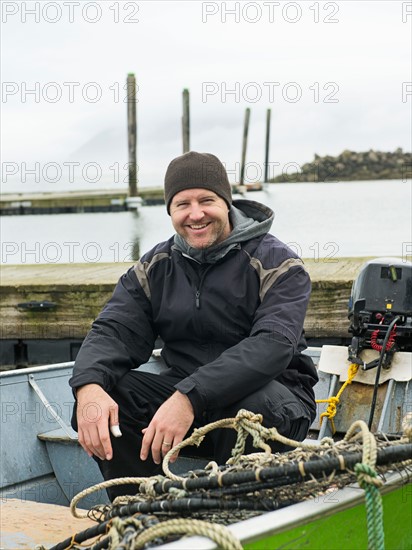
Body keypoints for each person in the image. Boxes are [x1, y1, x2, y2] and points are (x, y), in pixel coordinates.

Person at [69, 151, 318, 500]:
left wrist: (188, 397)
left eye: (207, 200)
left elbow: (273, 344)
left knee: (250, 410)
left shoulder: (278, 263)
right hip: (187, 393)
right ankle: (145, 511)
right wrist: (89, 385)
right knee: (110, 398)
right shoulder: (156, 265)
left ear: (227, 204)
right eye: (182, 203)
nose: (195, 213)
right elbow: (115, 329)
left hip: (275, 396)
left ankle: (238, 515)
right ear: (170, 211)